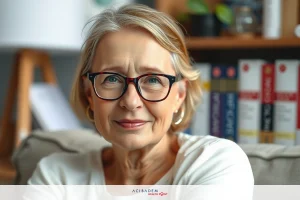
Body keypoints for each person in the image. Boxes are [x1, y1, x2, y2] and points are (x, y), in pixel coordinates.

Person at [27, 3, 253, 199]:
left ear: (179, 95)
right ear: (89, 94)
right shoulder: (56, 175)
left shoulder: (215, 163)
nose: (131, 101)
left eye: (153, 79)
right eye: (112, 78)